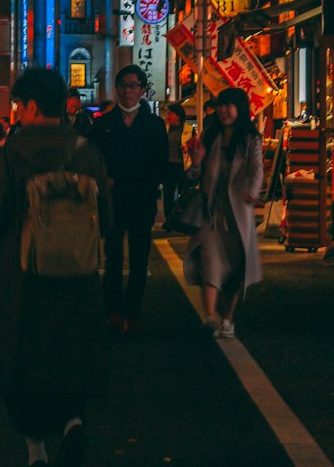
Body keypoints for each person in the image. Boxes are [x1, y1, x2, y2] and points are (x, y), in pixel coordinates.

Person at [0, 67, 111, 467]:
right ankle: (72, 423)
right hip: (76, 271)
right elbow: (105, 215)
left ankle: (36, 456)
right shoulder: (86, 150)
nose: (16, 113)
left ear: (33, 106)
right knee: (69, 352)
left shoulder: (16, 150)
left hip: (21, 274)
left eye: (19, 105)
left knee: (20, 357)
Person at [90, 64, 169, 334]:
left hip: (142, 199)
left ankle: (132, 312)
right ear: (117, 88)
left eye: (133, 85)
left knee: (139, 258)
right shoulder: (102, 125)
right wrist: (105, 181)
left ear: (142, 90)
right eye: (123, 85)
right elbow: (94, 162)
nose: (127, 91)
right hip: (112, 200)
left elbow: (161, 163)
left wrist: (151, 184)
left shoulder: (155, 125)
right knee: (112, 256)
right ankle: (112, 311)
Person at [183, 86, 264, 339]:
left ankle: (228, 318)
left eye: (228, 105)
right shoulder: (209, 136)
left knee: (237, 267)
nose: (223, 110)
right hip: (211, 211)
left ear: (240, 109)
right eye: (221, 105)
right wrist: (195, 163)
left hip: (238, 212)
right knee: (210, 261)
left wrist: (251, 192)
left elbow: (256, 169)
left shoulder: (250, 139)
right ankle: (209, 317)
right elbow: (193, 174)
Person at [162, 101, 187, 222]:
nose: (168, 116)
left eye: (171, 113)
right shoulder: (166, 128)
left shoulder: (187, 128)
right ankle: (169, 218)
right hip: (168, 164)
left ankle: (181, 216)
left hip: (183, 165)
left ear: (178, 116)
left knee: (184, 191)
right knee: (169, 192)